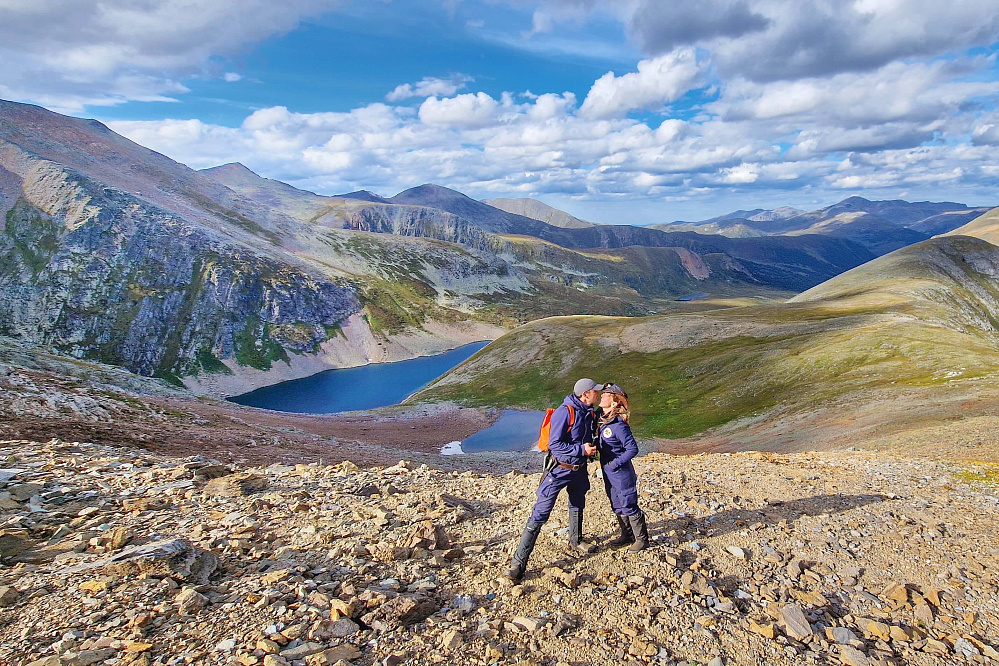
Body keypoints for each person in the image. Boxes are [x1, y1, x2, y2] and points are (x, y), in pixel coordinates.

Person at [506, 378, 601, 582]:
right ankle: (518, 564)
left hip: (579, 469)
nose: (598, 394)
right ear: (585, 394)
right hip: (559, 470)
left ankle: (576, 540)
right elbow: (554, 444)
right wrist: (580, 449)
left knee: (577, 503)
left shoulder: (589, 412)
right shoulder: (565, 412)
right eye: (595, 391)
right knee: (540, 513)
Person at [597, 383, 649, 552]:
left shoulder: (618, 426)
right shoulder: (604, 421)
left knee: (628, 504)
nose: (602, 396)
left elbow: (633, 449)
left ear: (614, 403)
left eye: (606, 395)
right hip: (609, 473)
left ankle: (642, 540)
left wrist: (615, 463)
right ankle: (627, 535)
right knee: (616, 504)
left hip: (621, 473)